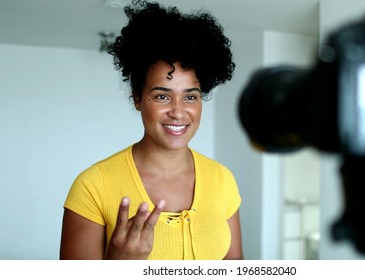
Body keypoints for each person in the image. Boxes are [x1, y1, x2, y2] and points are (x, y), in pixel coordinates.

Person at [59, 0, 242, 260]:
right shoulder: (92, 186)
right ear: (137, 98)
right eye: (162, 96)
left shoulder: (223, 180)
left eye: (190, 97)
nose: (178, 112)